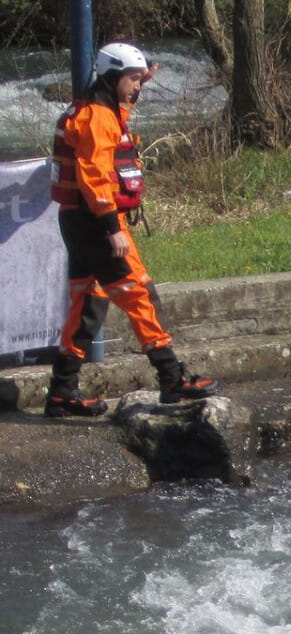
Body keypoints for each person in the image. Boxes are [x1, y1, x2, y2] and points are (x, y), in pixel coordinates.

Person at [44, 41, 218, 418]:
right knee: (138, 292)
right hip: (96, 221)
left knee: (88, 300)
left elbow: (118, 115)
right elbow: (93, 179)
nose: (138, 87)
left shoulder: (102, 107)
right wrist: (112, 228)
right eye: (133, 80)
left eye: (141, 80)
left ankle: (62, 391)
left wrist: (142, 80)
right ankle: (171, 378)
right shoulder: (96, 118)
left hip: (79, 220)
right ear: (111, 78)